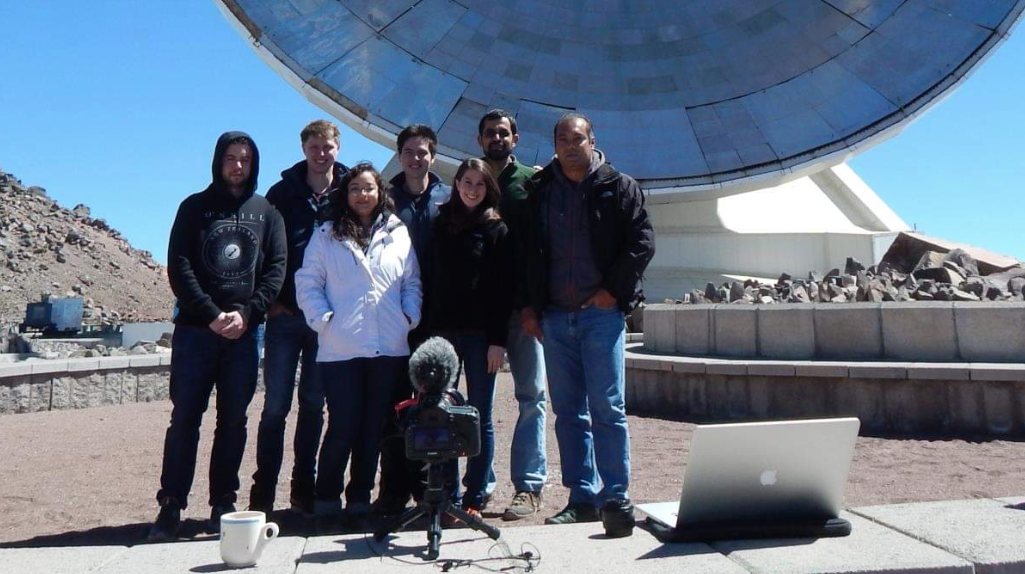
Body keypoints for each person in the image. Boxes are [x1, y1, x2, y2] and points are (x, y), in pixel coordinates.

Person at [518, 114, 655, 530]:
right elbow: (527, 252)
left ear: (592, 140)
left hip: (601, 316)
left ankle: (615, 496)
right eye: (562, 139)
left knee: (607, 409)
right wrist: (529, 306)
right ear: (554, 144)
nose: (570, 145)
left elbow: (642, 242)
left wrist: (613, 290)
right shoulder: (539, 191)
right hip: (556, 317)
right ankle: (582, 497)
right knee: (569, 411)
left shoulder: (619, 186)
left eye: (577, 138)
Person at [150, 131, 287, 541]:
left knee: (234, 421)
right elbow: (180, 266)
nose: (238, 166)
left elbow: (275, 270)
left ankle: (223, 502)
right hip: (196, 333)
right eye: (231, 158)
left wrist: (247, 314)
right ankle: (171, 504)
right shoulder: (194, 208)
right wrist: (210, 314)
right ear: (218, 160)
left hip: (244, 336)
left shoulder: (268, 213)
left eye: (245, 159)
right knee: (185, 420)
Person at [295, 162, 421, 527]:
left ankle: (360, 497)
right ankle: (327, 497)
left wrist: (409, 315)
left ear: (380, 192)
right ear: (345, 195)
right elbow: (308, 283)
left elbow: (411, 280)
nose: (362, 195)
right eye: (354, 189)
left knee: (373, 428)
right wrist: (324, 321)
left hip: (388, 346)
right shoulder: (327, 234)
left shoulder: (398, 232)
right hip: (341, 348)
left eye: (368, 188)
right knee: (343, 425)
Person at [249, 120, 349, 515]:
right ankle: (263, 490)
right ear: (304, 148)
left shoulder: (351, 190)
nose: (321, 153)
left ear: (337, 148)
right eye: (314, 146)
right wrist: (269, 300)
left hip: (326, 319)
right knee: (275, 405)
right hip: (286, 316)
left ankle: (302, 487)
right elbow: (261, 248)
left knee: (313, 405)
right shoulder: (281, 193)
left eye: (327, 146)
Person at [425, 158, 513, 518]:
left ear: (487, 188)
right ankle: (449, 496)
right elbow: (431, 280)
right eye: (466, 182)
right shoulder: (441, 225)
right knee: (442, 413)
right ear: (457, 184)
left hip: (481, 338)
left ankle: (475, 495)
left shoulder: (496, 230)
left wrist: (498, 341)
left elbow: (501, 291)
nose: (472, 189)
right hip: (444, 335)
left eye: (479, 184)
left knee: (479, 416)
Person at [372, 124, 452, 515]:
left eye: (423, 152)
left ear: (432, 156)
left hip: (438, 320)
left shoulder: (448, 199)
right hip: (394, 320)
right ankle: (393, 489)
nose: (415, 158)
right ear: (400, 155)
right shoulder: (383, 200)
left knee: (435, 405)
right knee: (396, 406)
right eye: (409, 152)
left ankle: (433, 490)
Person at [476, 109, 548, 520]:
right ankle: (479, 485)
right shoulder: (471, 182)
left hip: (524, 309)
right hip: (484, 311)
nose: (497, 139)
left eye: (503, 133)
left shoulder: (530, 182)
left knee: (531, 397)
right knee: (478, 402)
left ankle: (529, 485)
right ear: (480, 138)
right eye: (490, 133)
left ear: (515, 139)